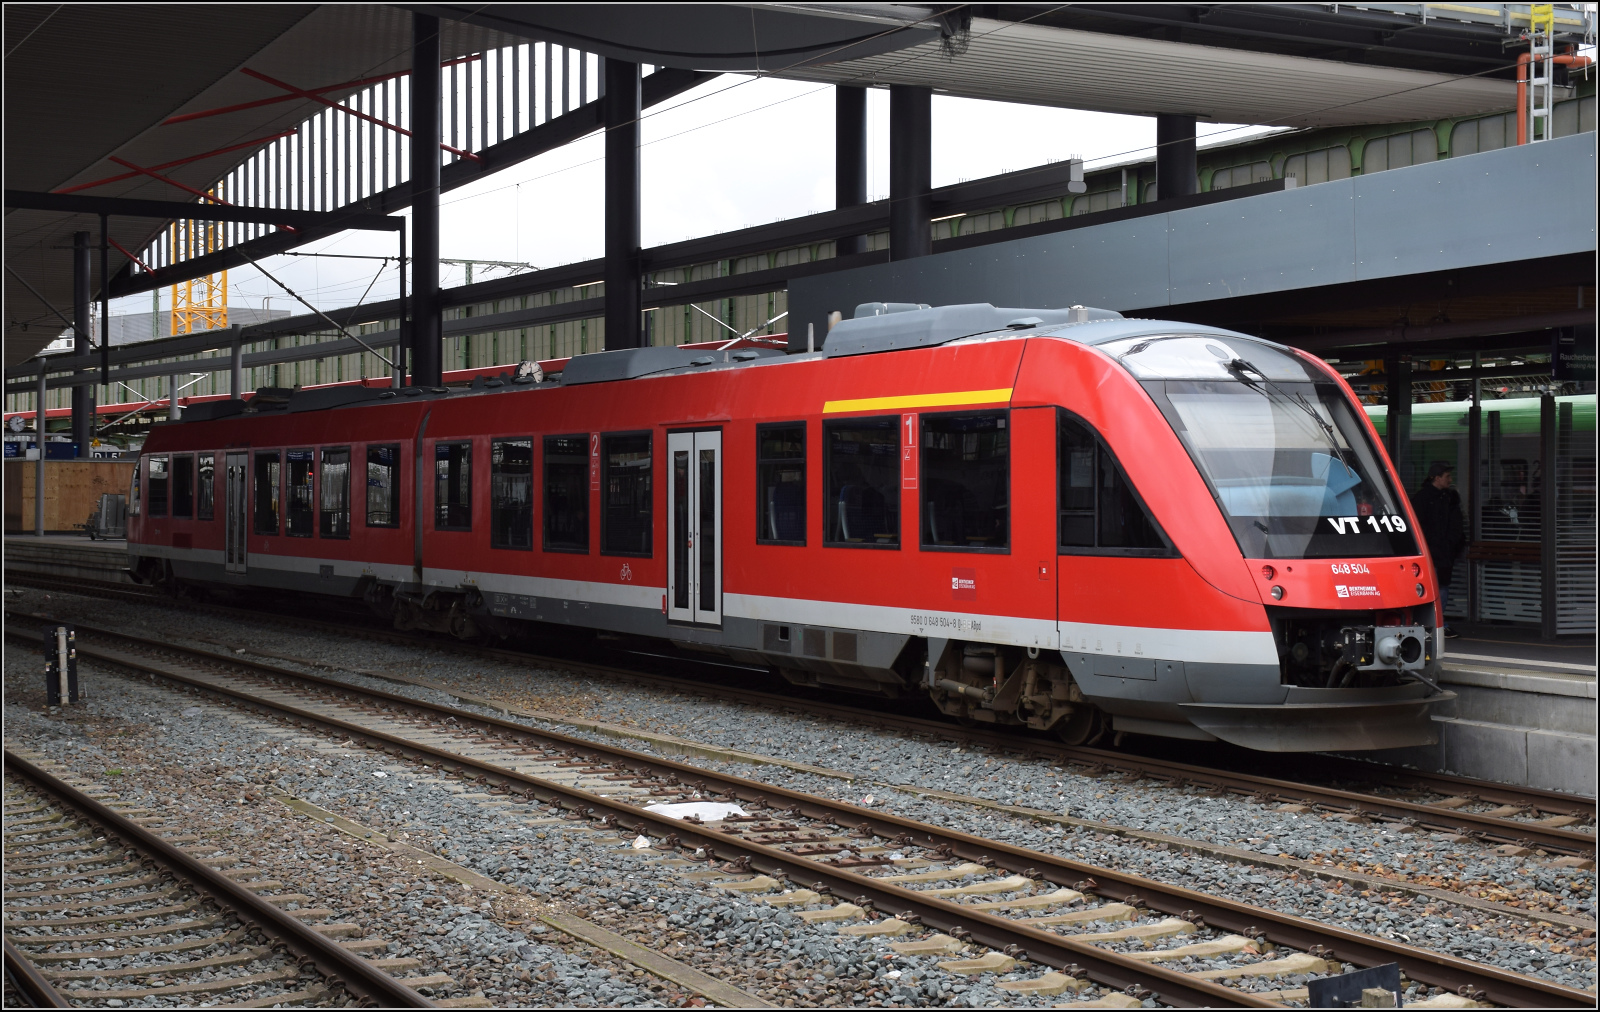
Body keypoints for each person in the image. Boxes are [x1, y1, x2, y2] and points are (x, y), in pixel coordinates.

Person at [1411, 461, 1465, 638]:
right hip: (1432, 550)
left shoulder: (1449, 498)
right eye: (1447, 476)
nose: (1450, 480)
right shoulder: (1423, 499)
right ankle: (1432, 622)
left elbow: (1457, 524)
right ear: (1437, 478)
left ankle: (1437, 622)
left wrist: (1453, 543)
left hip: (1444, 550)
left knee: (1442, 586)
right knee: (1434, 587)